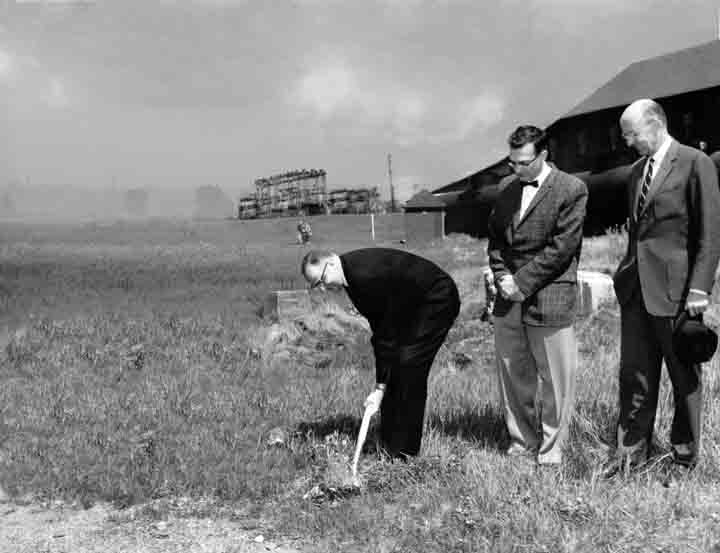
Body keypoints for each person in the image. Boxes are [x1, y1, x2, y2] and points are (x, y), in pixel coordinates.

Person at [604, 99, 720, 475]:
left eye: (632, 134)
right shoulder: (637, 171)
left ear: (656, 124)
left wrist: (700, 289)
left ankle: (683, 459)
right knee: (634, 377)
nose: (628, 142)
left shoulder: (695, 163)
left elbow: (710, 233)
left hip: (678, 293)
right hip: (636, 292)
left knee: (684, 378)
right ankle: (629, 456)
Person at [487, 125, 588, 466]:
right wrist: (502, 277)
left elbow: (563, 248)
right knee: (513, 375)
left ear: (543, 155)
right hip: (508, 297)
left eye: (523, 163)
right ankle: (521, 443)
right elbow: (496, 241)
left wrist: (521, 282)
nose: (516, 169)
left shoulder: (572, 189)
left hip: (549, 295)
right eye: (512, 162)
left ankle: (551, 450)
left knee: (556, 379)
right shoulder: (505, 188)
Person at [300, 248, 460, 459]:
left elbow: (387, 331)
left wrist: (379, 386)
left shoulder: (363, 276)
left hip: (437, 298)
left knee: (409, 364)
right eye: (316, 285)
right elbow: (381, 329)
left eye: (321, 280)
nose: (323, 288)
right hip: (411, 306)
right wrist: (381, 384)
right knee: (396, 364)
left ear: (330, 263)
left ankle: (405, 452)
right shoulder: (351, 280)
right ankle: (389, 442)